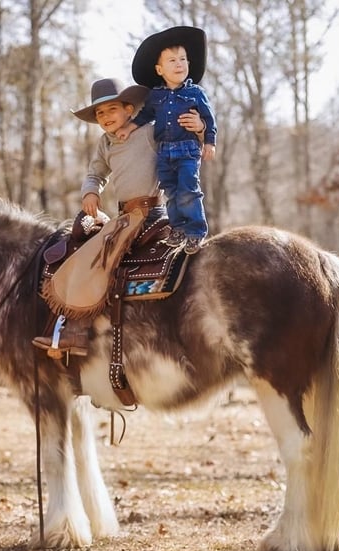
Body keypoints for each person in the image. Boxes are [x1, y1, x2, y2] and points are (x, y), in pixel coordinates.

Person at [32, 77, 205, 357]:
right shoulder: (105, 143)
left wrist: (200, 128)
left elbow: (182, 139)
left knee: (102, 259)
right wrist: (91, 192)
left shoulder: (149, 132)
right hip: (125, 215)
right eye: (99, 113)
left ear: (129, 109)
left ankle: (79, 331)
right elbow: (96, 173)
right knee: (87, 256)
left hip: (152, 212)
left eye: (111, 110)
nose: (105, 117)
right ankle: (77, 331)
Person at [116, 26, 217, 255]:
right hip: (164, 152)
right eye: (172, 60)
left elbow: (210, 119)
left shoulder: (196, 93)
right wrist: (128, 127)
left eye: (183, 59)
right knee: (170, 191)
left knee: (189, 190)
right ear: (159, 69)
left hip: (188, 150)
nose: (179, 64)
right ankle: (178, 228)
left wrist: (209, 141)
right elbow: (145, 116)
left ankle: (195, 231)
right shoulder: (155, 96)